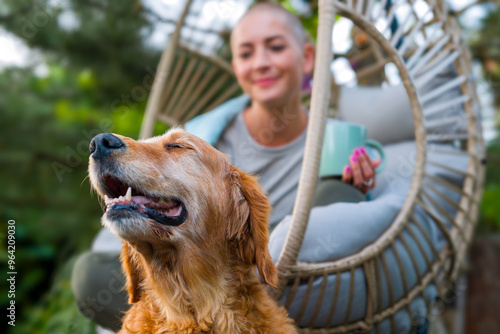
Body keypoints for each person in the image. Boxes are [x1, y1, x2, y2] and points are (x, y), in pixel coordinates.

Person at [72, 2, 381, 332]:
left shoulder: (337, 142)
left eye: (275, 47)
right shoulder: (203, 130)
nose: (261, 63)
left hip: (271, 275)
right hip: (184, 284)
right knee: (89, 275)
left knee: (338, 193)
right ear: (236, 66)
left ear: (307, 58)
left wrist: (355, 186)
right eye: (246, 53)